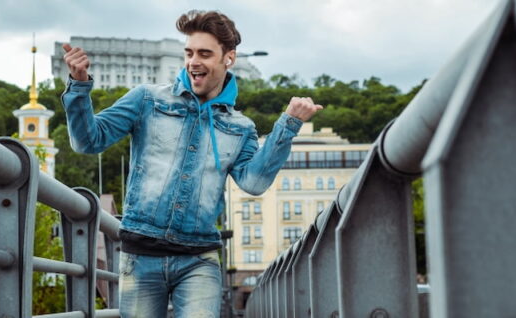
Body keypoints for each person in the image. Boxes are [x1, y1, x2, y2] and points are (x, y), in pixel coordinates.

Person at [60, 10, 322, 318]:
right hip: (141, 254)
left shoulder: (241, 127)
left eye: (205, 53)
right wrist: (79, 86)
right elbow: (89, 141)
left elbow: (253, 183)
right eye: (189, 52)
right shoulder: (147, 99)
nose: (193, 61)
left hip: (199, 258)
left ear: (229, 58)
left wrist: (288, 125)